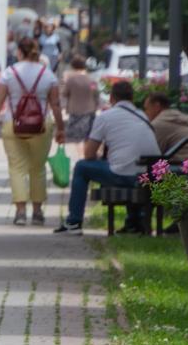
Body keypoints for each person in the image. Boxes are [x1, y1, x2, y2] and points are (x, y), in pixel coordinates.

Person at [55, 80, 160, 234]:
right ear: (132, 98)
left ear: (111, 98)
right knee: (127, 163)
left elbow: (88, 154)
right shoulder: (142, 115)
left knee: (82, 167)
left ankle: (74, 222)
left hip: (126, 175)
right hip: (150, 175)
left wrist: (100, 157)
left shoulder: (105, 117)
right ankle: (134, 223)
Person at [0, 35, 66, 226]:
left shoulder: (10, 73)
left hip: (13, 125)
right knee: (38, 169)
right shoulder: (47, 74)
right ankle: (37, 212)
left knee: (17, 168)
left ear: (19, 52)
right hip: (42, 126)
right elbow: (55, 104)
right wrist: (61, 128)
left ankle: (20, 212)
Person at [143, 90, 188, 164]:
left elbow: (153, 153)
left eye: (146, 108)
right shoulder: (179, 116)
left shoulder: (159, 123)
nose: (145, 113)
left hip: (181, 165)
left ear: (157, 106)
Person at [60, 56, 100, 144]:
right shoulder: (91, 79)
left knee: (74, 139)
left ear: (72, 66)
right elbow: (95, 93)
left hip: (74, 111)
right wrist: (96, 105)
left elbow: (64, 93)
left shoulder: (70, 80)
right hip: (89, 111)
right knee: (88, 137)